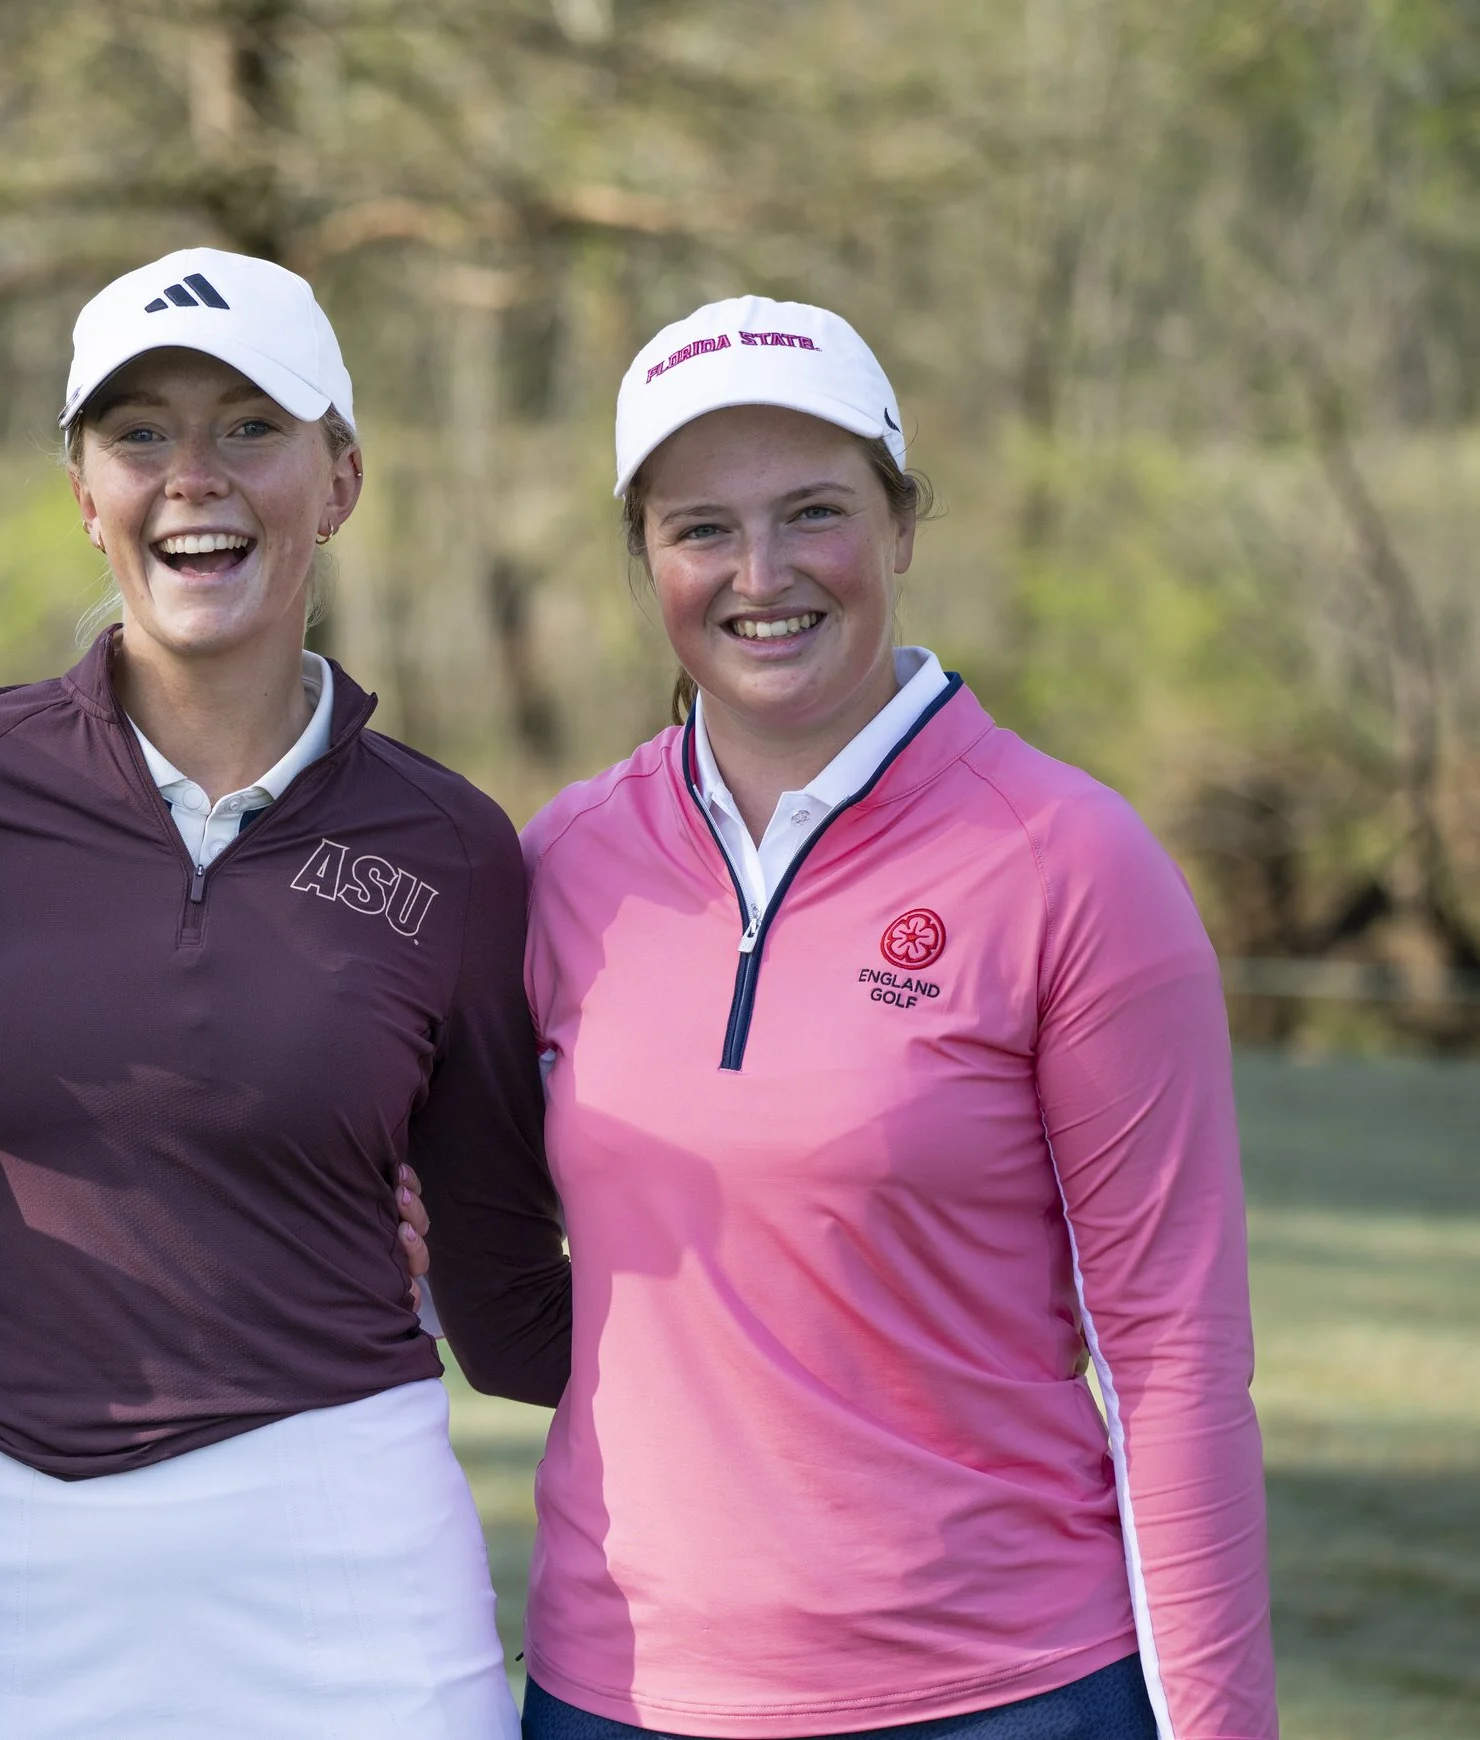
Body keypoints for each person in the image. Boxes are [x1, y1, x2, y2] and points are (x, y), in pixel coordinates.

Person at [0, 247, 571, 1740]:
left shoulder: (451, 845)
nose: (192, 478)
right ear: (83, 492)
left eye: (251, 429)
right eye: (140, 435)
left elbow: (506, 1295)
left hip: (351, 1559)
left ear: (340, 479)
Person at [502, 298, 1277, 1739]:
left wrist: (1221, 1724)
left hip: (1003, 1691)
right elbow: (468, 1232)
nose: (763, 574)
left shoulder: (1071, 862)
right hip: (617, 1694)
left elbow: (1174, 1358)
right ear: (644, 560)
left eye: (815, 512)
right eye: (701, 529)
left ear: (904, 524)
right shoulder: (564, 864)